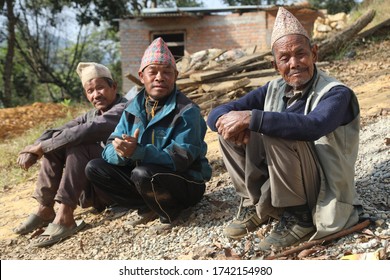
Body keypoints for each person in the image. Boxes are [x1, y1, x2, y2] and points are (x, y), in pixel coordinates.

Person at [207, 7, 361, 250]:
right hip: (288, 179)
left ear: (314, 53)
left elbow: (313, 127)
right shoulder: (274, 87)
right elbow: (218, 112)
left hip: (324, 186)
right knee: (229, 128)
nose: (294, 63)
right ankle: (257, 204)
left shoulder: (336, 92)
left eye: (301, 54)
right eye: (285, 58)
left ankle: (299, 217)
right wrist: (230, 120)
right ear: (275, 64)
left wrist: (252, 118)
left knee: (275, 126)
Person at [85, 37, 212, 232]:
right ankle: (148, 206)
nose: (159, 77)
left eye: (167, 72)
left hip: (185, 183)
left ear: (175, 75)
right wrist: (121, 152)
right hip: (145, 177)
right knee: (95, 168)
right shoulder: (131, 108)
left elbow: (182, 157)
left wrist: (140, 152)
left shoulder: (187, 111)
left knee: (143, 173)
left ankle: (172, 212)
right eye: (152, 72)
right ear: (142, 76)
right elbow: (109, 146)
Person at [14, 62, 128, 247]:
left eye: (100, 88)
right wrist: (34, 147)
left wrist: (42, 147)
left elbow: (87, 131)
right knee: (58, 143)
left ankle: (65, 215)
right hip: (96, 190)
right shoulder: (91, 114)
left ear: (113, 86)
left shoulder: (125, 109)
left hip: (119, 187)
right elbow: (59, 131)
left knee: (77, 145)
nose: (96, 94)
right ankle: (45, 209)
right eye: (90, 91)